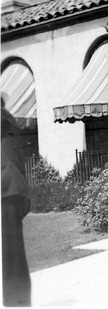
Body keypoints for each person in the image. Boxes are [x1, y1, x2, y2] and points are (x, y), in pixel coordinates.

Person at [2, 107, 31, 306]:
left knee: (12, 249)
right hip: (9, 190)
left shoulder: (3, 117)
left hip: (9, 191)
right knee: (10, 248)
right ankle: (15, 298)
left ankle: (17, 300)